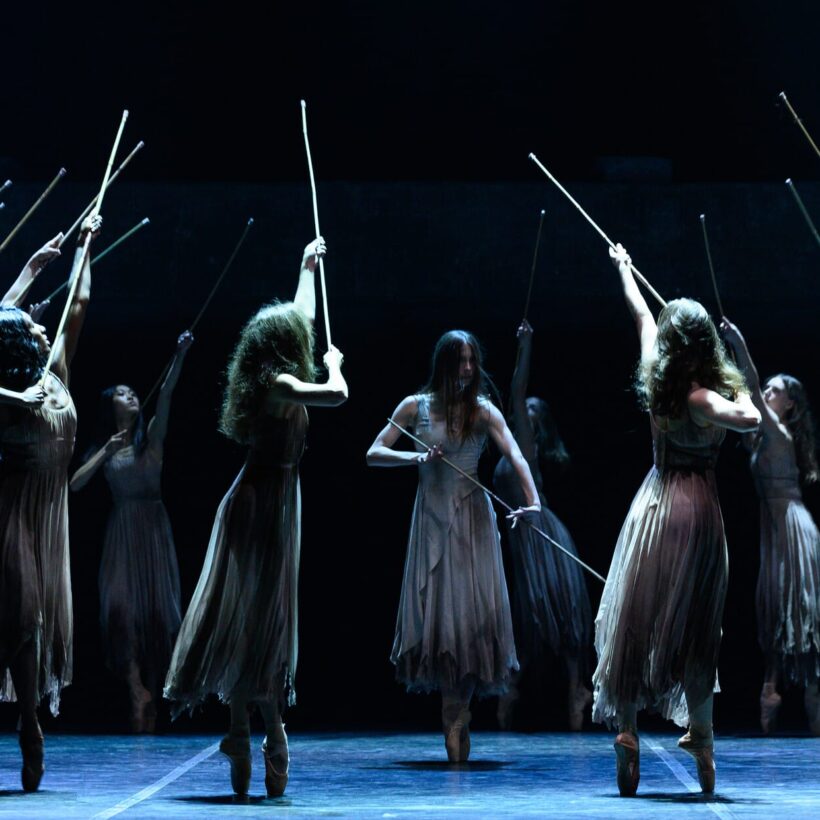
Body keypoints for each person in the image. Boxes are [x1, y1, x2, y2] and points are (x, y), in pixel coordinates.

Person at [164, 237, 347, 798]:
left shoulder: (276, 372)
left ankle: (248, 732)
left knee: (264, 618)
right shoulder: (280, 384)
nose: (306, 337)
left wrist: (305, 266)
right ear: (284, 347)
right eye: (299, 337)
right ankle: (263, 731)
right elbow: (336, 396)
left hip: (278, 499)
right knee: (255, 618)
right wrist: (336, 366)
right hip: (259, 503)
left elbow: (304, 312)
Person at [592, 244, 760, 796]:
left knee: (635, 621)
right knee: (696, 634)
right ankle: (704, 742)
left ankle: (628, 731)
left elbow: (641, 314)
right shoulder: (703, 398)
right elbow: (753, 415)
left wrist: (623, 267)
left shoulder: (656, 377)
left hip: (654, 505)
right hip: (698, 514)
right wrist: (737, 356)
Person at [367, 330, 540, 762]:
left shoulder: (482, 410)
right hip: (431, 519)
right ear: (443, 365)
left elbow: (516, 454)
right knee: (439, 618)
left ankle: (457, 712)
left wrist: (533, 502)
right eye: (460, 361)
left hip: (471, 521)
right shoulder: (415, 407)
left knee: (468, 617)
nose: (467, 369)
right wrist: (416, 457)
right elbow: (374, 452)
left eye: (471, 361)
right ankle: (453, 711)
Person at [0, 215, 100, 791]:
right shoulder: (13, 398)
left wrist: (83, 248)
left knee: (31, 623)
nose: (43, 326)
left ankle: (31, 720)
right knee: (15, 617)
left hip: (50, 517)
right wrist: (14, 392)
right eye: (31, 328)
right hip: (12, 515)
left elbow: (79, 305)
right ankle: (29, 723)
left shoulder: (55, 374)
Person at [69, 331, 194, 732]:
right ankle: (135, 688)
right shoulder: (103, 448)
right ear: (110, 405)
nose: (131, 395)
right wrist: (105, 450)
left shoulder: (151, 438)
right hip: (122, 533)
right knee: (122, 612)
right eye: (122, 393)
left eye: (132, 391)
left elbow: (168, 394)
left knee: (158, 614)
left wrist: (179, 354)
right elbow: (75, 485)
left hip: (154, 530)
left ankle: (153, 691)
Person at [493, 320, 593, 731]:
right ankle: (515, 692)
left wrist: (526, 346)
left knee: (559, 621)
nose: (524, 412)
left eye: (532, 410)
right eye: (524, 410)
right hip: (525, 544)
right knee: (532, 623)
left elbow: (515, 391)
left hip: (544, 539)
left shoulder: (527, 447)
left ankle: (575, 692)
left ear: (539, 422)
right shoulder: (510, 447)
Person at [721, 319, 820, 735]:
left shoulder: (777, 431)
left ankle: (809, 701)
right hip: (773, 529)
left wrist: (738, 342)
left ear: (790, 405)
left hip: (793, 528)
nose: (767, 394)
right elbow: (743, 396)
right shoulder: (761, 437)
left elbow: (750, 382)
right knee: (776, 613)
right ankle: (771, 691)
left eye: (775, 391)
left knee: (801, 614)